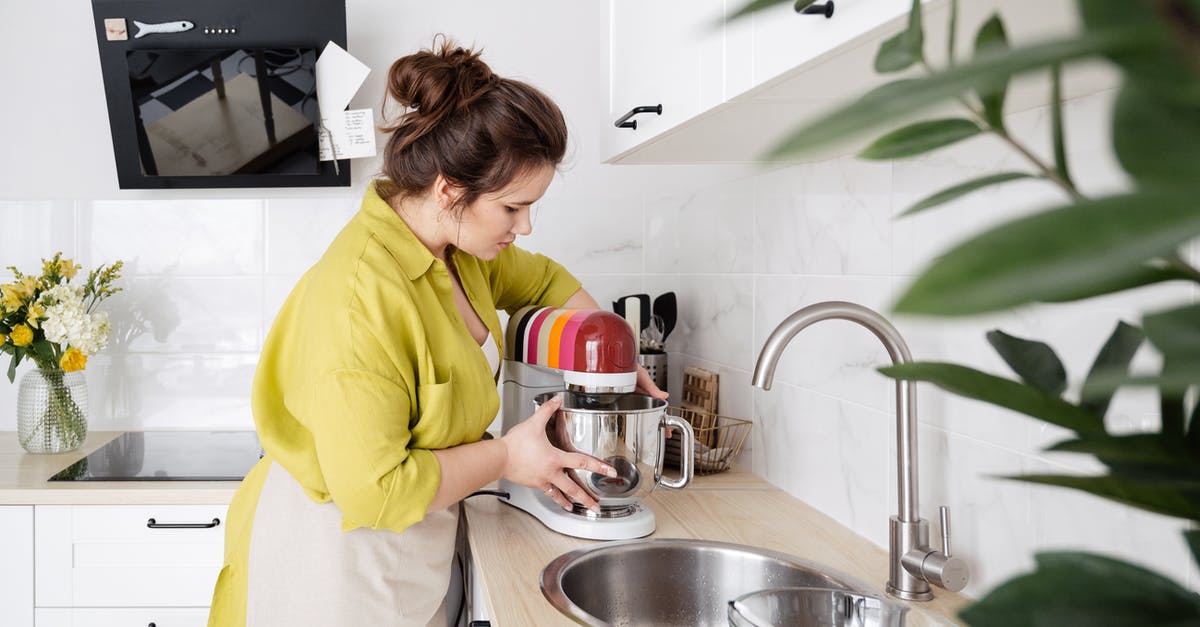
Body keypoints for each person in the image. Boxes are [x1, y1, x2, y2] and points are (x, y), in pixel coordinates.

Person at [206, 37, 666, 627]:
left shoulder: (459, 251)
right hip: (334, 563)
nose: (526, 227)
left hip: (413, 545)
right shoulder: (359, 300)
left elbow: (547, 281)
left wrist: (613, 363)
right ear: (449, 189)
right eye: (512, 208)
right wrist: (505, 455)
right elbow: (375, 493)